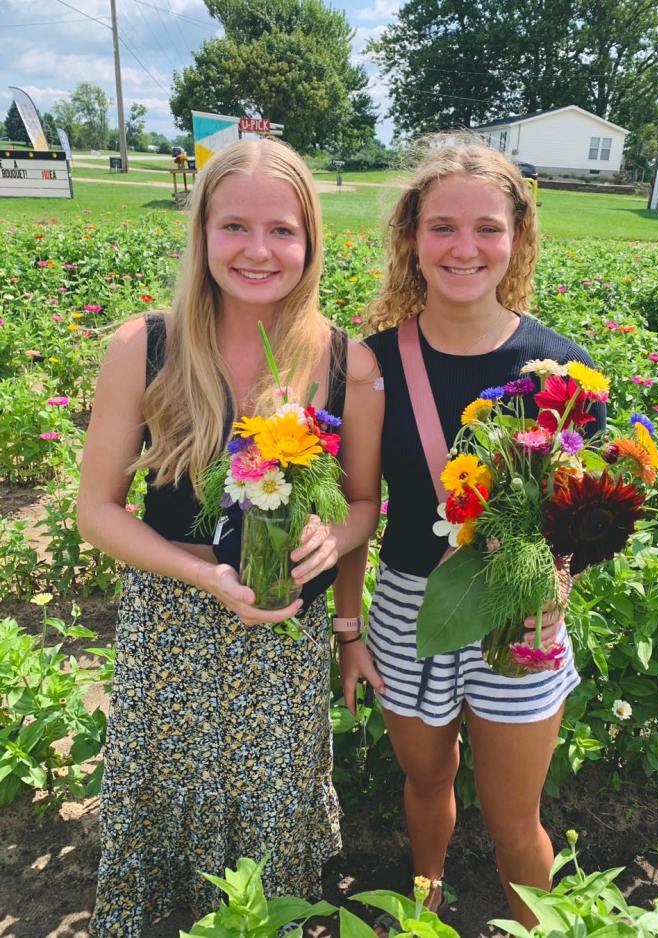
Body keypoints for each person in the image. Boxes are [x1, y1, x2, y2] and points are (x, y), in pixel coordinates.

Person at [77, 138, 384, 936]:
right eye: (234, 227)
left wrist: (331, 547)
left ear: (311, 240)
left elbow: (361, 504)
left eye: (282, 230)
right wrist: (204, 575)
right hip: (172, 625)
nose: (258, 250)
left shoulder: (347, 361)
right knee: (169, 791)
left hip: (285, 633)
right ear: (202, 234)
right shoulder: (143, 344)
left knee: (269, 807)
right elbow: (98, 511)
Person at [338, 140, 606, 930]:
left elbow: (583, 519)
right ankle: (425, 905)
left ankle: (537, 927)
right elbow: (359, 504)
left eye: (487, 228)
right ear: (411, 238)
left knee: (515, 820)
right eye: (442, 227)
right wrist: (349, 628)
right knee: (425, 784)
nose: (464, 248)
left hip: (519, 620)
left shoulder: (562, 370)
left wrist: (558, 585)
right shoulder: (373, 364)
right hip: (406, 614)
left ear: (518, 237)